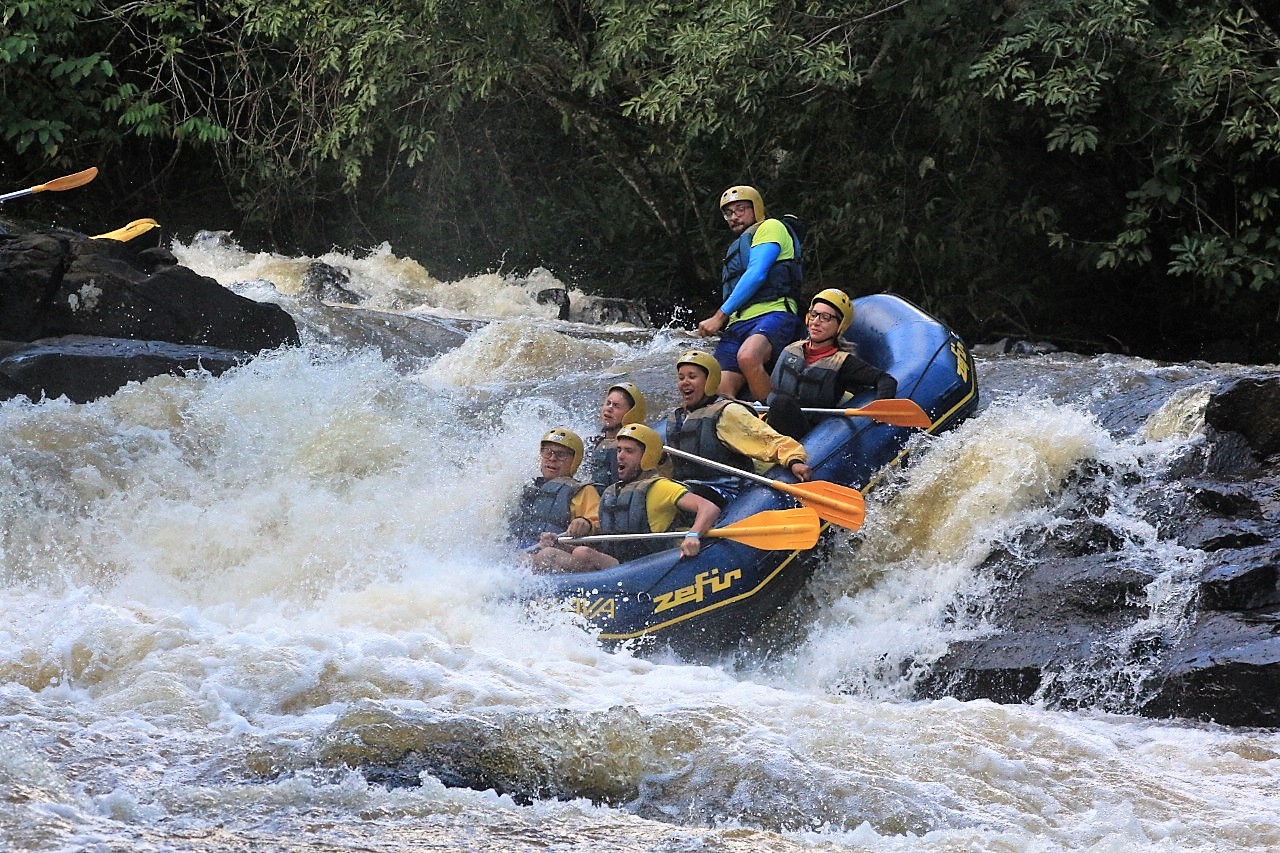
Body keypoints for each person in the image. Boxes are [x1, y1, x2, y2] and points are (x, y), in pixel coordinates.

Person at [533, 423, 720, 573]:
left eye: (629, 451)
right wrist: (562, 538)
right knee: (547, 554)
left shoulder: (661, 487)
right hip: (619, 564)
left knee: (580, 554)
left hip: (649, 567)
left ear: (647, 456)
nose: (620, 456)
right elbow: (607, 536)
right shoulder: (611, 491)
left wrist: (694, 534)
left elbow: (709, 508)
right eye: (619, 450)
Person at [695, 185, 805, 402]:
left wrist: (719, 317)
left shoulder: (771, 227)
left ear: (756, 208)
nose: (734, 217)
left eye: (741, 209)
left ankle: (777, 419)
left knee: (748, 357)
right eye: (728, 213)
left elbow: (757, 274)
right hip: (737, 325)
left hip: (774, 313)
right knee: (718, 391)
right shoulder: (736, 247)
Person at [665, 349, 811, 507]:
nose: (684, 382)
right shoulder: (678, 417)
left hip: (729, 491)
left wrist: (794, 460)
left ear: (710, 380)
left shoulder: (727, 413)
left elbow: (769, 440)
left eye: (692, 377)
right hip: (690, 488)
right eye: (681, 378)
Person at [765, 288, 899, 440]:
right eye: (814, 314)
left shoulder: (843, 363)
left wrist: (880, 407)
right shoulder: (792, 349)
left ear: (839, 326)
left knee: (781, 404)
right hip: (771, 425)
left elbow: (885, 379)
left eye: (826, 317)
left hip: (807, 433)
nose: (816, 322)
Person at [510, 427, 599, 552]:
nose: (552, 458)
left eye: (561, 454)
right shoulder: (527, 487)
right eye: (547, 452)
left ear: (574, 460)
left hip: (556, 554)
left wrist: (585, 523)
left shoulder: (582, 491)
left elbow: (596, 522)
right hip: (519, 553)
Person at [582, 381, 647, 492]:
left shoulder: (641, 446)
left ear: (631, 413)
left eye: (616, 406)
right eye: (608, 403)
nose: (609, 409)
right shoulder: (592, 443)